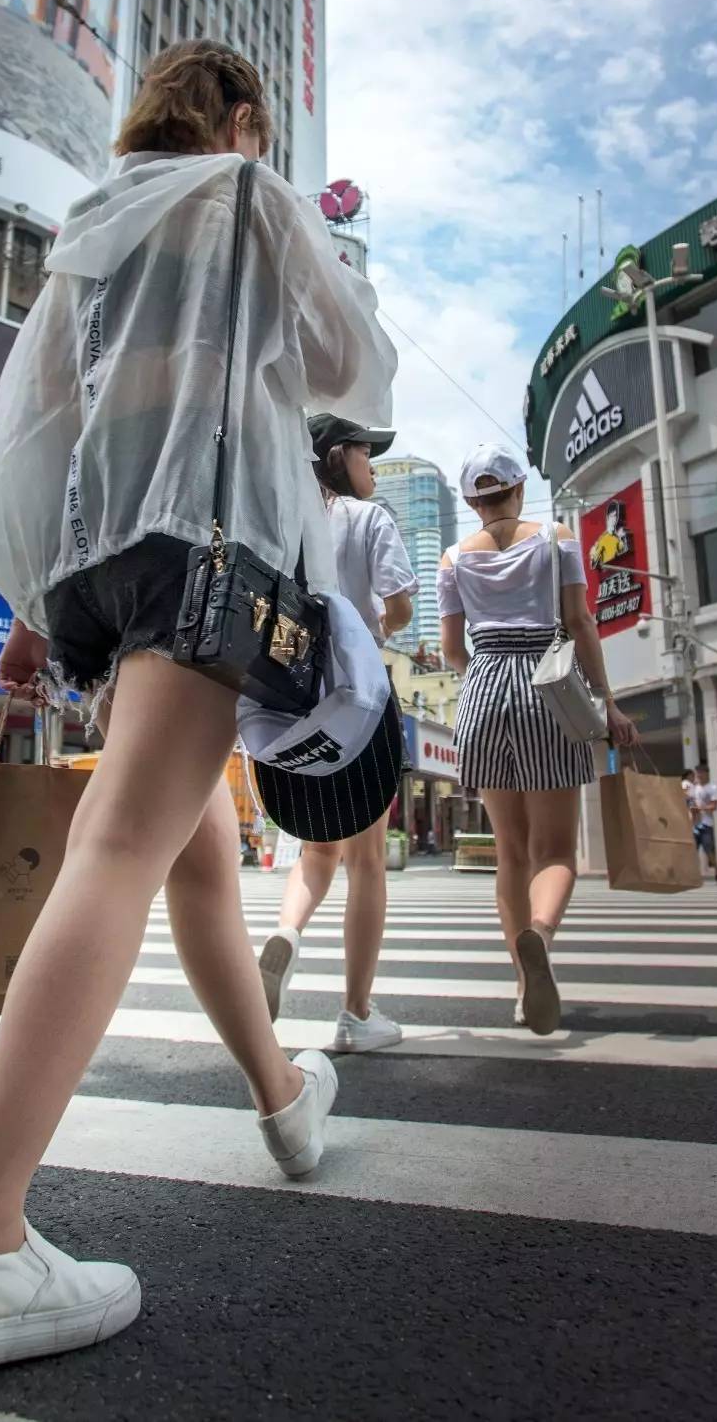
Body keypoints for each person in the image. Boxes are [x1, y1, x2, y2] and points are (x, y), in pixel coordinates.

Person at [0, 40, 396, 1376]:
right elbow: (355, 367)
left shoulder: (95, 220)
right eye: (261, 122)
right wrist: (299, 257)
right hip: (214, 551)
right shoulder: (243, 197)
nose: (265, 143)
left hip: (107, 576)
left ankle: (284, 1099)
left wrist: (24, 607)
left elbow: (35, 428)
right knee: (125, 846)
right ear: (237, 116)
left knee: (202, 861)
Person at [437, 443, 634, 1034]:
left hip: (483, 690)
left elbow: (452, 651)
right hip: (548, 686)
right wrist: (607, 700)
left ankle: (524, 992)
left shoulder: (451, 560)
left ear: (472, 501)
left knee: (510, 852)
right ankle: (540, 935)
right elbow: (579, 622)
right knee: (555, 851)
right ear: (520, 488)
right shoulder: (558, 536)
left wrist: (486, 665)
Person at [258, 413, 418, 1052]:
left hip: (291, 696)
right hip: (361, 697)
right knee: (368, 862)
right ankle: (355, 1013)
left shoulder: (280, 523)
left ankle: (287, 935)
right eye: (365, 453)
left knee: (316, 849)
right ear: (337, 457)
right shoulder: (370, 519)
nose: (372, 466)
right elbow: (401, 605)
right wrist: (375, 621)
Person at [685, 761, 717, 883]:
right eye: (697, 773)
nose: (699, 775)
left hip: (706, 824)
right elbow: (690, 801)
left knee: (708, 849)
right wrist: (692, 808)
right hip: (694, 824)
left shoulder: (712, 787)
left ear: (707, 773)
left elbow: (714, 806)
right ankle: (692, 873)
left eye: (701, 773)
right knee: (692, 849)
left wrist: (701, 808)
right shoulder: (694, 788)